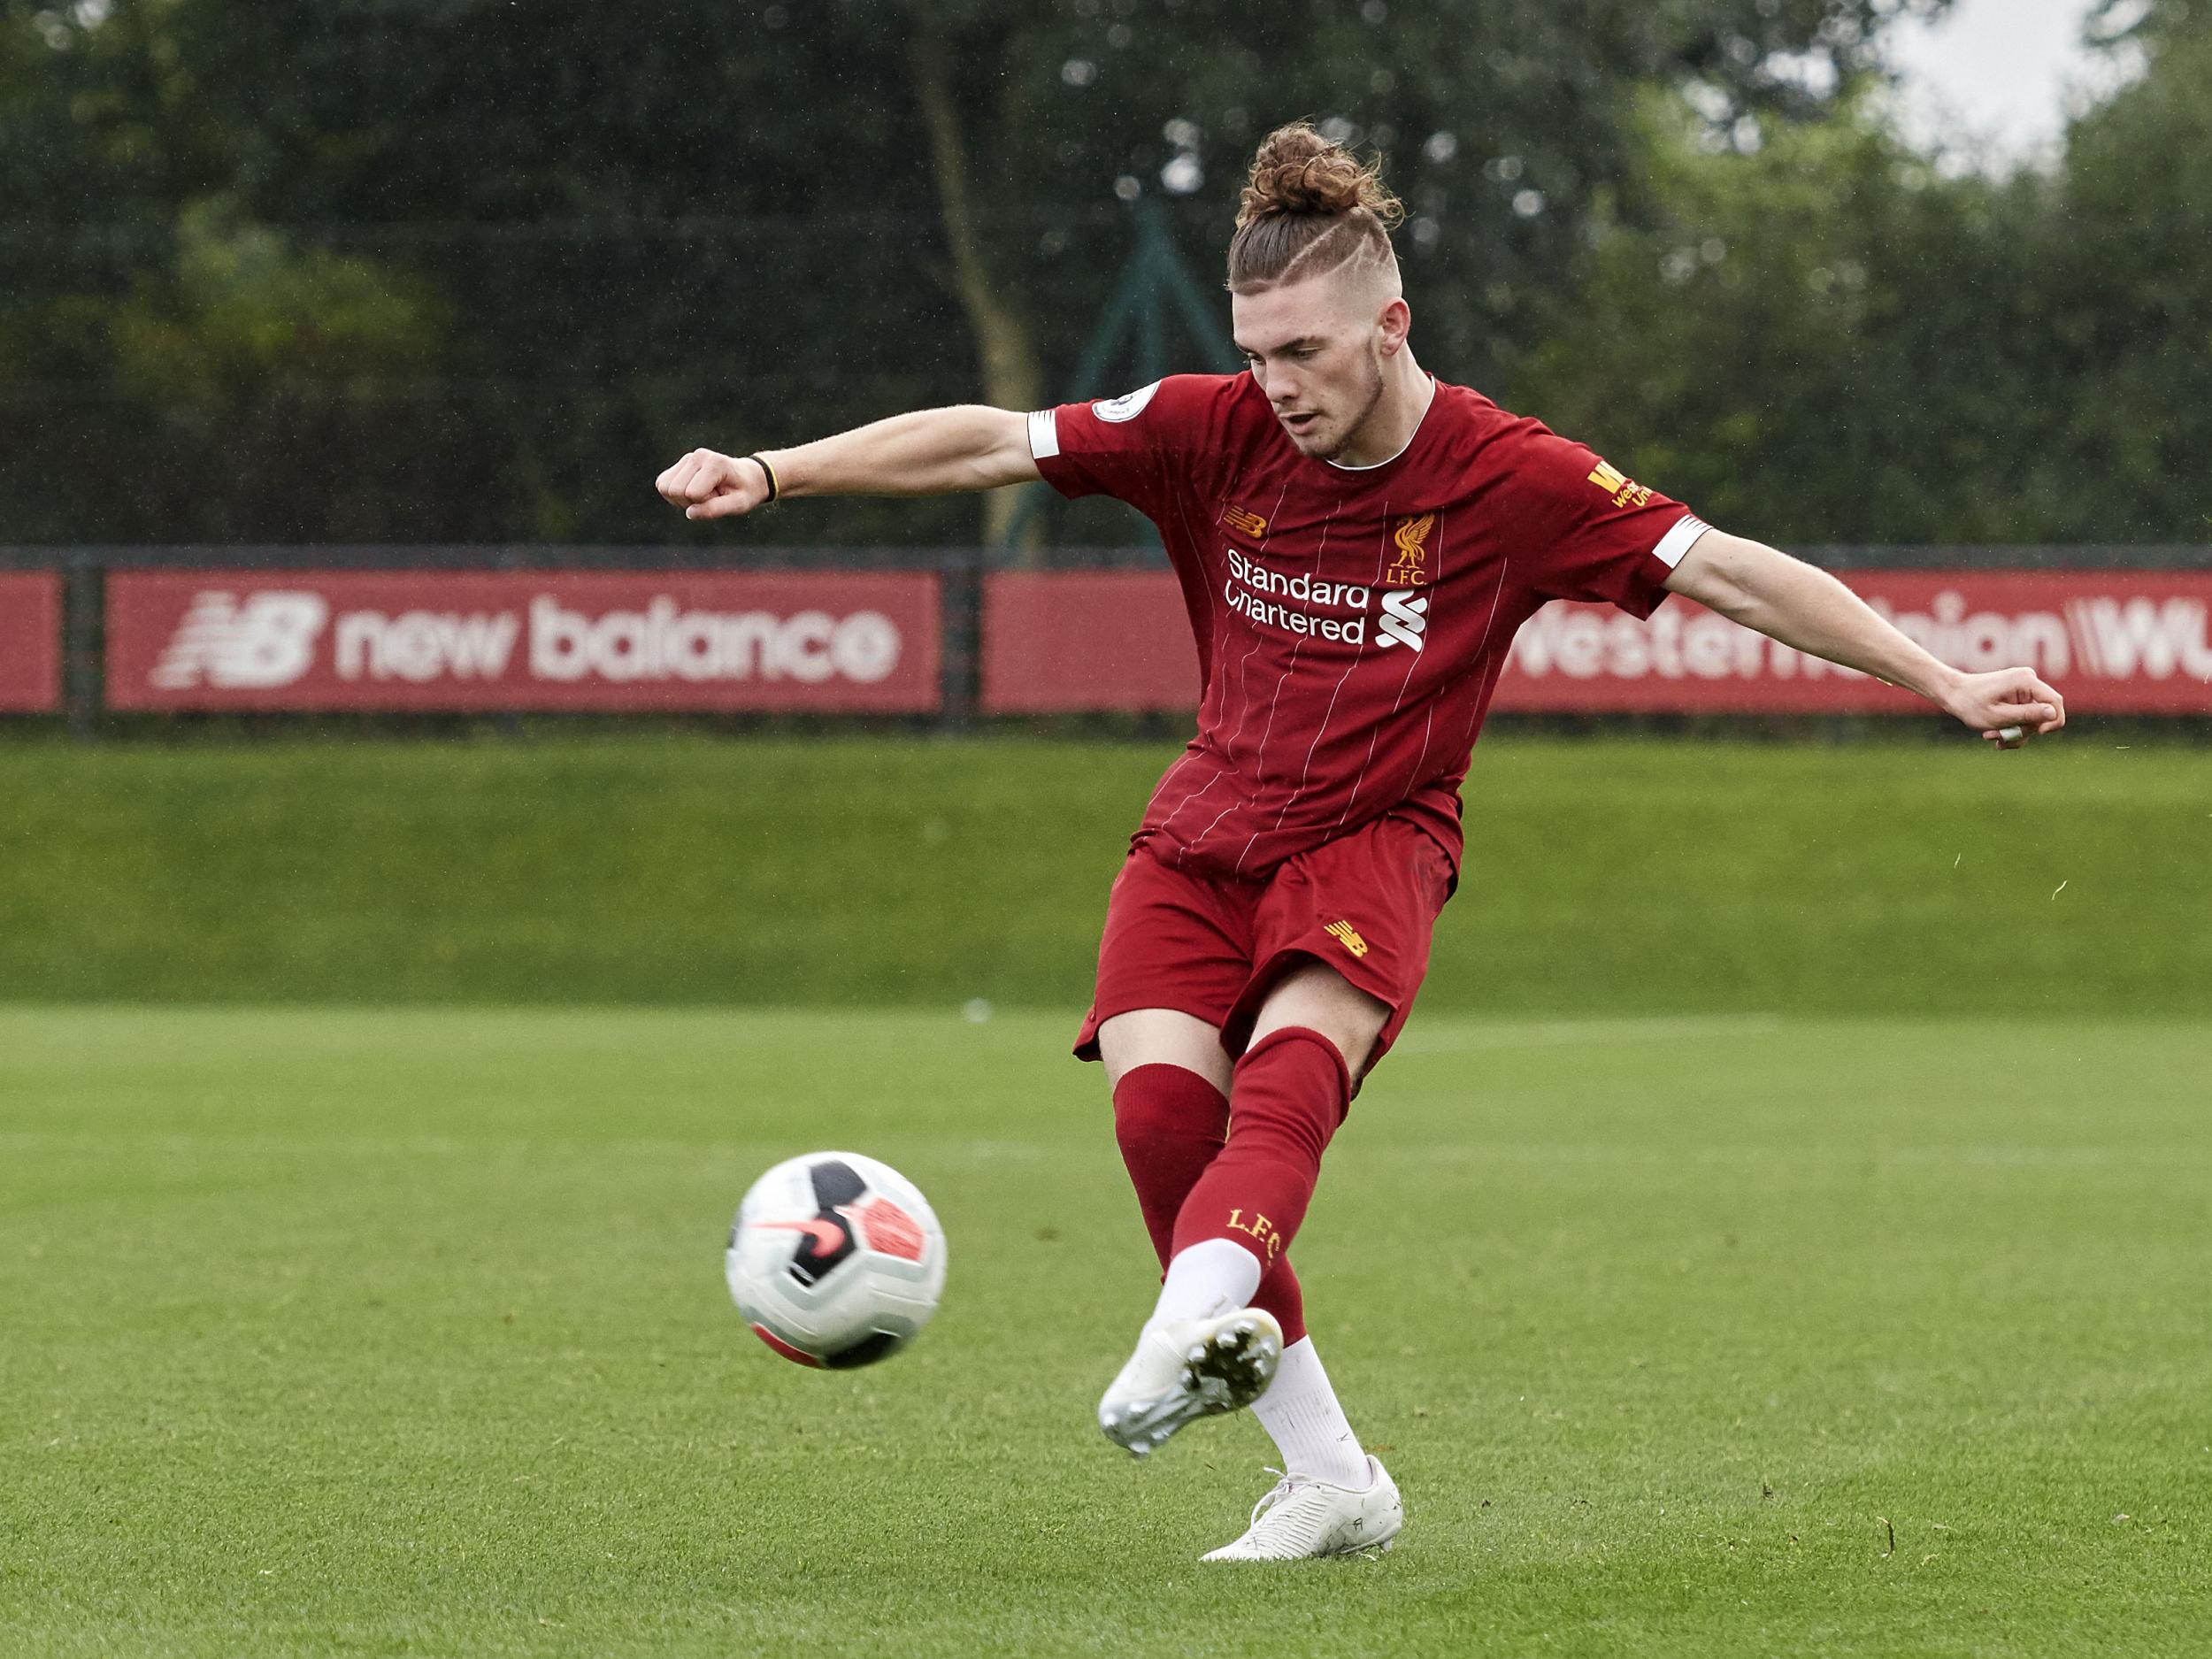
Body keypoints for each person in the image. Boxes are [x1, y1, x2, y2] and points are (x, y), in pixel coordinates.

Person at [656, 122, 2065, 1563]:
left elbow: (1737, 576)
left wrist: (1941, 677)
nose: (1281, 386)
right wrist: (774, 471)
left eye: (1308, 353)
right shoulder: (1213, 427)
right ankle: (1332, 1479)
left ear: (1390, 328)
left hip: (1377, 840)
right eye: (1259, 352)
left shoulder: (1513, 477)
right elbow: (991, 445)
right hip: (1209, 821)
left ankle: (1177, 1334)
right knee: (1157, 1123)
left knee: (1282, 1098)